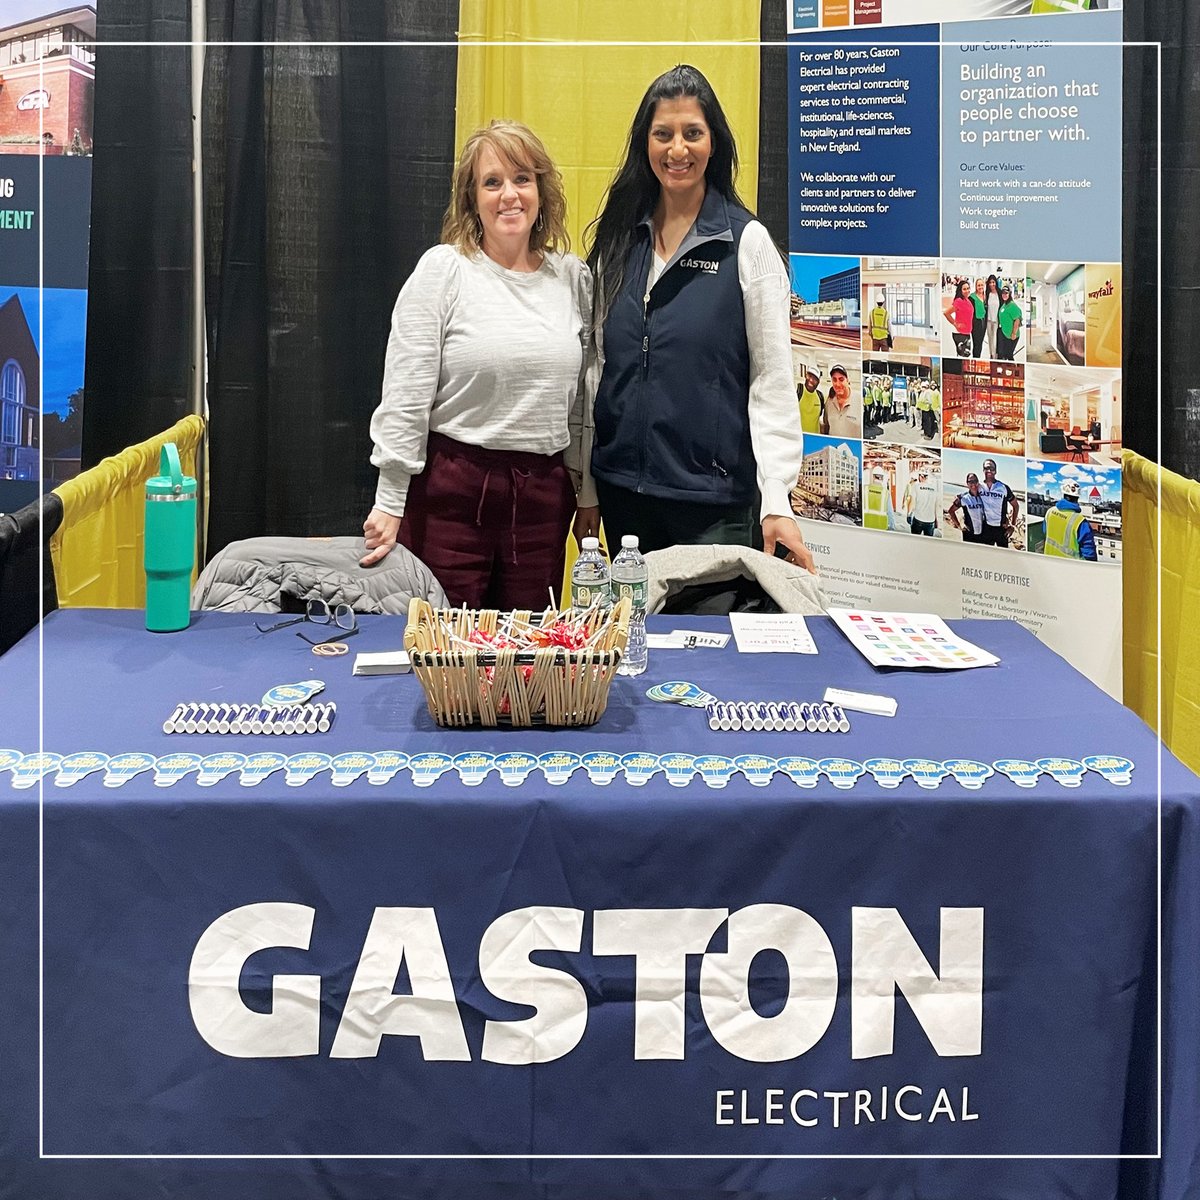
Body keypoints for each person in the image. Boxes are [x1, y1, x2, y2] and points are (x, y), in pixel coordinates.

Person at [582, 65, 814, 570]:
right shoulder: (617, 245)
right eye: (662, 134)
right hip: (624, 502)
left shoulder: (747, 246)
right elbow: (598, 369)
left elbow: (772, 381)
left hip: (715, 508)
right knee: (631, 647)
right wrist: (587, 485)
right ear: (645, 143)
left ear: (714, 142)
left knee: (709, 651)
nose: (677, 150)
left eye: (693, 133)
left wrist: (776, 498)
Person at [361, 120, 591, 609]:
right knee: (446, 655)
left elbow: (581, 405)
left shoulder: (572, 280)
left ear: (542, 191)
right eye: (492, 182)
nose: (509, 194)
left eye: (522, 178)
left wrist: (585, 492)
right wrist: (389, 498)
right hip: (450, 498)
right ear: (472, 199)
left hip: (543, 504)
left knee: (531, 660)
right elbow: (406, 391)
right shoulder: (444, 271)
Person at [1043, 478, 1098, 560]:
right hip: (1070, 567)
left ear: (1063, 494)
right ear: (1077, 497)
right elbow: (1089, 554)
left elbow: (1045, 531)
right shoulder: (1080, 522)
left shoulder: (1050, 512)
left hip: (1048, 560)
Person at [978, 457, 1020, 547]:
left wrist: (1013, 526)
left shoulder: (1003, 488)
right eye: (986, 468)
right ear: (983, 470)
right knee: (986, 556)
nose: (989, 470)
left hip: (1002, 529)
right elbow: (969, 495)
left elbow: (1016, 506)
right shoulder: (979, 486)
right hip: (986, 528)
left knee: (1004, 557)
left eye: (992, 468)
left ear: (995, 471)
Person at [822, 363, 860, 437]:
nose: (837, 384)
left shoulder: (859, 400)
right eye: (834, 380)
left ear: (847, 380)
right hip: (833, 447)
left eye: (841, 379)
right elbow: (826, 426)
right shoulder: (829, 402)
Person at [947, 471, 986, 542]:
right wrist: (959, 525)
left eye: (975, 481)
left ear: (978, 482)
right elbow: (951, 511)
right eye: (970, 481)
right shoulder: (964, 498)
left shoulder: (983, 497)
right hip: (968, 534)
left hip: (982, 534)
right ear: (967, 484)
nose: (973, 484)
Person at [906, 464, 939, 535]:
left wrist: (909, 514)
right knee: (928, 544)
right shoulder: (934, 489)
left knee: (915, 541)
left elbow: (912, 502)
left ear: (921, 476)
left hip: (919, 519)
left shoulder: (916, 486)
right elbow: (935, 506)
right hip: (930, 521)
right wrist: (936, 520)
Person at [945, 279, 974, 357]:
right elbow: (946, 313)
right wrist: (955, 324)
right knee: (963, 356)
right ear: (960, 290)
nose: (967, 290)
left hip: (967, 333)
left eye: (968, 288)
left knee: (966, 356)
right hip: (960, 333)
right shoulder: (959, 301)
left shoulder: (967, 300)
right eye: (964, 289)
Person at [995, 284, 1023, 361]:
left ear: (1010, 294)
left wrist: (1014, 333)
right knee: (1003, 354)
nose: (1004, 295)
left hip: (1012, 336)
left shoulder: (1012, 306)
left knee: (1009, 355)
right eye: (1003, 293)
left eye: (1006, 293)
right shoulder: (1004, 304)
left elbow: (1017, 320)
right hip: (1004, 334)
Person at [797, 364, 824, 436]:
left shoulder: (820, 396)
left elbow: (820, 415)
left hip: (815, 439)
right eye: (809, 376)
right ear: (806, 376)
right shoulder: (798, 391)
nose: (811, 380)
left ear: (818, 381)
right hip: (798, 437)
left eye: (815, 378)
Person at [863, 466, 892, 531]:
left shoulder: (865, 489)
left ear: (873, 477)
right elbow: (890, 513)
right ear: (882, 478)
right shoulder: (886, 492)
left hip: (867, 525)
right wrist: (891, 528)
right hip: (881, 526)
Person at [984, 273, 1001, 358]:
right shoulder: (987, 293)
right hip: (988, 320)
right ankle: (991, 354)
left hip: (996, 320)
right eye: (990, 282)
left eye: (993, 282)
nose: (992, 284)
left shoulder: (1000, 293)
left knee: (995, 338)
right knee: (990, 338)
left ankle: (995, 354)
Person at [970, 277, 987, 358]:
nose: (980, 287)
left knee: (980, 343)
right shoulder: (972, 297)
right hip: (976, 323)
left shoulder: (985, 297)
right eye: (978, 285)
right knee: (976, 343)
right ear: (976, 286)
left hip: (984, 323)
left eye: (982, 285)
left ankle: (978, 356)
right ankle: (976, 357)